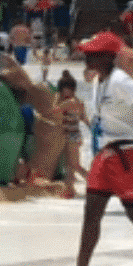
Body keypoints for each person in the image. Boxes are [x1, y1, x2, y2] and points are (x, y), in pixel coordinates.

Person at [56, 32, 133, 266]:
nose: (87, 57)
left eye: (93, 54)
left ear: (107, 57)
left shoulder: (120, 81)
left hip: (128, 156)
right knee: (91, 213)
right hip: (106, 156)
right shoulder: (99, 81)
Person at [52, 71, 88, 199]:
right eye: (64, 90)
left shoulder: (72, 101)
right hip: (70, 136)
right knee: (70, 165)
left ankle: (96, 184)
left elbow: (55, 111)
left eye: (68, 89)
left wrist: (58, 99)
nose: (66, 92)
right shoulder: (72, 101)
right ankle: (70, 190)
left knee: (74, 165)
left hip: (72, 136)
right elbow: (84, 118)